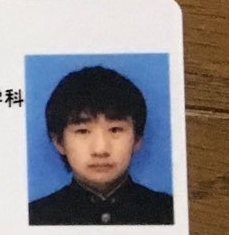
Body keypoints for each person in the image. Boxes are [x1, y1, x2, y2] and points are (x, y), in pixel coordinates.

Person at [28, 64, 174, 226]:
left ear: (137, 139)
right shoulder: (36, 216)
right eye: (83, 131)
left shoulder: (168, 212)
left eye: (115, 130)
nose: (100, 149)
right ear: (59, 142)